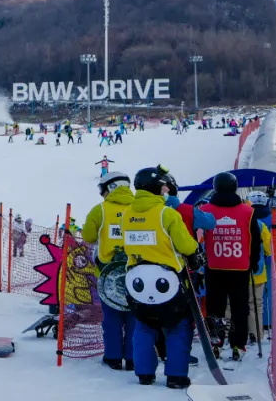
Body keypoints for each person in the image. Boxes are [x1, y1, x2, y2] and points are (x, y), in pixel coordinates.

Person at [121, 166, 201, 389]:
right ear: (157, 187)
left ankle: (144, 373)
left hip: (137, 281)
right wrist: (195, 252)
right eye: (164, 186)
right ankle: (176, 376)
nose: (166, 190)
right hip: (168, 281)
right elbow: (185, 245)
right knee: (177, 327)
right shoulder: (167, 214)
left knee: (144, 326)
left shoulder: (128, 214)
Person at [200, 172, 261, 362]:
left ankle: (216, 342)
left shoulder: (205, 209)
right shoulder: (248, 212)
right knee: (239, 307)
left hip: (215, 265)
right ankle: (237, 343)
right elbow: (255, 240)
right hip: (240, 267)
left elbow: (199, 237)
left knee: (215, 307)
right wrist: (253, 262)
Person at [82, 170, 135, 371]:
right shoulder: (140, 209)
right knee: (135, 319)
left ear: (110, 188)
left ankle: (112, 357)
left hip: (108, 275)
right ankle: (133, 357)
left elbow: (88, 236)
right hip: (137, 273)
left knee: (111, 319)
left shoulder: (100, 210)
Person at [246, 191, 273, 345]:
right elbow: (269, 250)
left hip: (238, 270)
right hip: (258, 271)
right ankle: (256, 333)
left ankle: (235, 333)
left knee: (237, 303)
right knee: (256, 304)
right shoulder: (262, 225)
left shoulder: (240, 220)